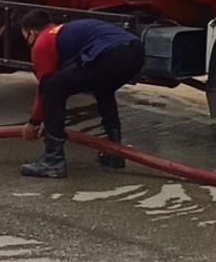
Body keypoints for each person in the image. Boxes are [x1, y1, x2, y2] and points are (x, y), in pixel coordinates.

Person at [19, 12, 147, 178]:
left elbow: (45, 88)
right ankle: (115, 153)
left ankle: (53, 161)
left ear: (31, 33)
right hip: (136, 51)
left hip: (111, 53)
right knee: (103, 88)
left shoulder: (42, 42)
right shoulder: (62, 31)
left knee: (53, 88)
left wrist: (34, 122)